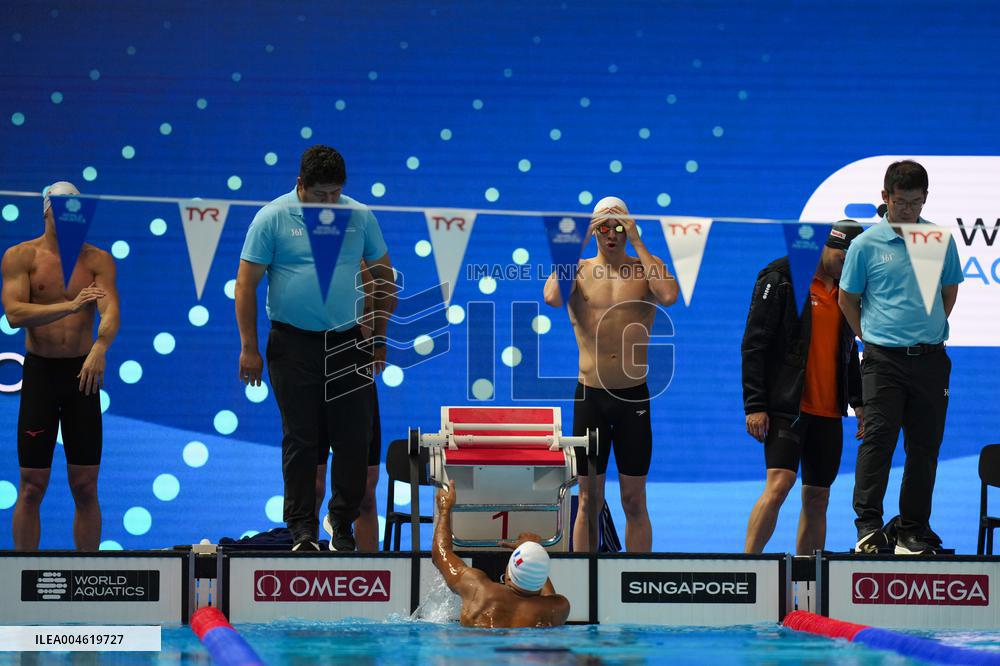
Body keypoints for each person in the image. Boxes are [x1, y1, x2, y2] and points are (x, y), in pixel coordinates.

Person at [236, 145, 396, 552]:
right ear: (299, 185)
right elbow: (245, 285)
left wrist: (378, 337)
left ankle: (341, 522)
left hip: (348, 342)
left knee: (354, 438)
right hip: (292, 344)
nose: (329, 202)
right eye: (320, 194)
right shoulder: (272, 218)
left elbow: (384, 278)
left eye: (335, 194)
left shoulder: (359, 216)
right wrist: (249, 347)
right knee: (301, 440)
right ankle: (302, 529)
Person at [839, 160, 963, 555]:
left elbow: (948, 293)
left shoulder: (938, 240)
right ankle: (869, 527)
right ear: (885, 197)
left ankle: (912, 530)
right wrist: (870, 337)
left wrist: (926, 331)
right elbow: (847, 298)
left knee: (925, 449)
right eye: (900, 202)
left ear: (925, 198)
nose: (908, 210)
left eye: (915, 202)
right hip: (883, 362)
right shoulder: (865, 245)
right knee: (877, 442)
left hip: (930, 361)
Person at [543, 196, 679, 552]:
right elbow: (553, 298)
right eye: (603, 227)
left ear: (629, 226)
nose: (611, 234)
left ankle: (636, 579)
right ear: (593, 231)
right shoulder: (577, 269)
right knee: (589, 500)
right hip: (591, 398)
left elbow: (668, 295)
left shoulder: (646, 268)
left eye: (619, 226)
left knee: (634, 500)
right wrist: (577, 244)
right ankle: (585, 580)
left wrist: (638, 241)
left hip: (633, 398)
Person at [1, 181, 120, 550]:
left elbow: (110, 309)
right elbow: (14, 314)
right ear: (46, 210)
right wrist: (70, 306)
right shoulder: (21, 256)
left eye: (75, 205)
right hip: (41, 375)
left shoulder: (97, 260)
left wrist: (101, 345)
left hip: (82, 377)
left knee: (85, 486)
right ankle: (22, 573)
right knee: (31, 486)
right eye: (62, 205)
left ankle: (88, 574)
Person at [741, 221, 864, 555]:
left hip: (829, 411)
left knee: (818, 497)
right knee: (780, 483)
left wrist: (859, 402)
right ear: (825, 246)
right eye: (842, 257)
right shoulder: (783, 277)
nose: (846, 265)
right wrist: (755, 405)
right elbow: (754, 344)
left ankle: (808, 578)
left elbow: (848, 351)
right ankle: (747, 566)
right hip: (788, 406)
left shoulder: (847, 290)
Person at [432, 480, 570, 628]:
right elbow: (548, 594)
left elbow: (441, 554)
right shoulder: (557, 608)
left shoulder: (479, 591)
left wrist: (445, 510)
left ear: (508, 577)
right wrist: (533, 550)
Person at [315, 262, 382, 552]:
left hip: (357, 380)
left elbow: (379, 296)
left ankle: (372, 571)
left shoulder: (360, 261)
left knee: (365, 490)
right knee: (313, 485)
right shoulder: (303, 267)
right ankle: (303, 558)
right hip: (314, 380)